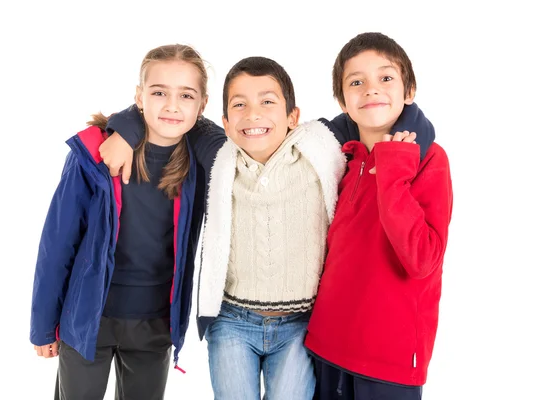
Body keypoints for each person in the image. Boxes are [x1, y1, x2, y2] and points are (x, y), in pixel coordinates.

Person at [99, 53, 435, 399]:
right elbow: (178, 115)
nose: (254, 114)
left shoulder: (320, 144)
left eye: (267, 102)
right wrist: (126, 128)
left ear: (293, 117)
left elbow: (383, 112)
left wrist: (412, 147)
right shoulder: (219, 153)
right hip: (232, 321)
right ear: (226, 122)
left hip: (299, 324)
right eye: (240, 105)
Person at [29, 44, 209, 400]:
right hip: (87, 320)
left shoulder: (201, 162)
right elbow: (57, 243)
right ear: (139, 97)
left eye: (186, 95)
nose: (172, 105)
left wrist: (126, 123)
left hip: (155, 323)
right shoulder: (94, 153)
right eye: (159, 92)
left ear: (202, 106)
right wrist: (42, 326)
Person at [304, 32, 453, 400]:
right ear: (342, 101)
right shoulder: (340, 158)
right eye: (357, 82)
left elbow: (421, 260)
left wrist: (393, 170)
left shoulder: (430, 160)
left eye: (385, 78)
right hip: (325, 345)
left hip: (388, 361)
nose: (371, 89)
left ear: (409, 91)